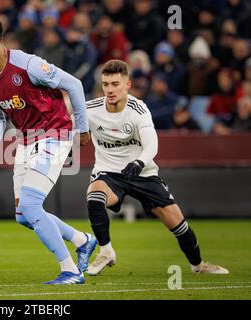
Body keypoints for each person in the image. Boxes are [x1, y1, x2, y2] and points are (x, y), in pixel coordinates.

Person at [0, 16, 97, 285]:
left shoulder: (29, 65)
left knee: (30, 204)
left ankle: (71, 271)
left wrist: (83, 129)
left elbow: (73, 84)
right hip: (26, 142)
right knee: (23, 216)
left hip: (55, 133)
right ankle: (82, 240)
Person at [85, 59, 229, 275]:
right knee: (94, 195)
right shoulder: (90, 109)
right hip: (109, 174)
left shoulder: (138, 109)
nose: (110, 89)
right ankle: (106, 251)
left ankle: (198, 265)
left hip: (142, 172)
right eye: (105, 84)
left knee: (179, 226)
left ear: (127, 85)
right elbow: (65, 126)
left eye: (115, 84)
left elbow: (152, 143)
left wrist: (139, 162)